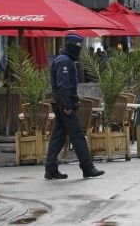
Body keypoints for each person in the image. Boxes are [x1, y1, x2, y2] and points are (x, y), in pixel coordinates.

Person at [44, 34, 104, 180]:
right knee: (77, 136)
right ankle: (87, 167)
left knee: (58, 137)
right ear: (71, 46)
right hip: (65, 105)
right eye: (77, 47)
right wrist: (67, 105)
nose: (79, 50)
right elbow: (63, 86)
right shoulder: (64, 61)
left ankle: (51, 169)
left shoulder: (64, 59)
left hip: (61, 103)